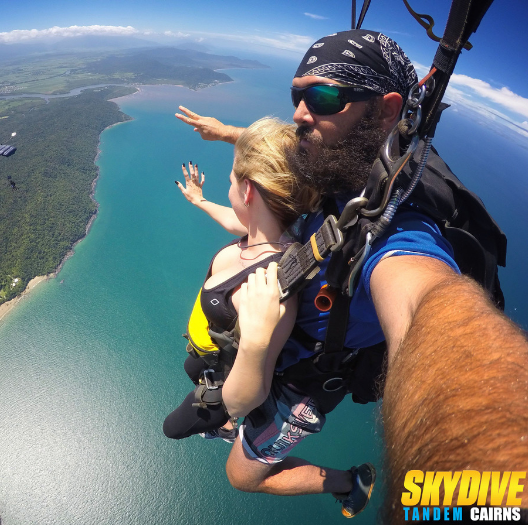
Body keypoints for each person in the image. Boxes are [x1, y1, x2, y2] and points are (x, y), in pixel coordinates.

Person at [176, 29, 528, 522]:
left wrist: (491, 480)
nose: (300, 113)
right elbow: (297, 150)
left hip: (298, 388)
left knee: (242, 475)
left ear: (385, 110)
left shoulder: (397, 235)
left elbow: (428, 306)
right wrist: (230, 134)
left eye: (322, 97)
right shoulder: (339, 169)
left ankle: (349, 481)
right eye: (297, 95)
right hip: (272, 354)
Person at [163, 117, 318, 442]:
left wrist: (257, 342)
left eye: (231, 179)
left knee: (173, 428)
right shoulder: (271, 232)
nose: (228, 183)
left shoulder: (268, 286)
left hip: (228, 383)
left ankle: (226, 428)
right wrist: (199, 200)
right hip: (208, 353)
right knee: (192, 369)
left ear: (247, 190)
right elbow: (239, 222)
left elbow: (250, 395)